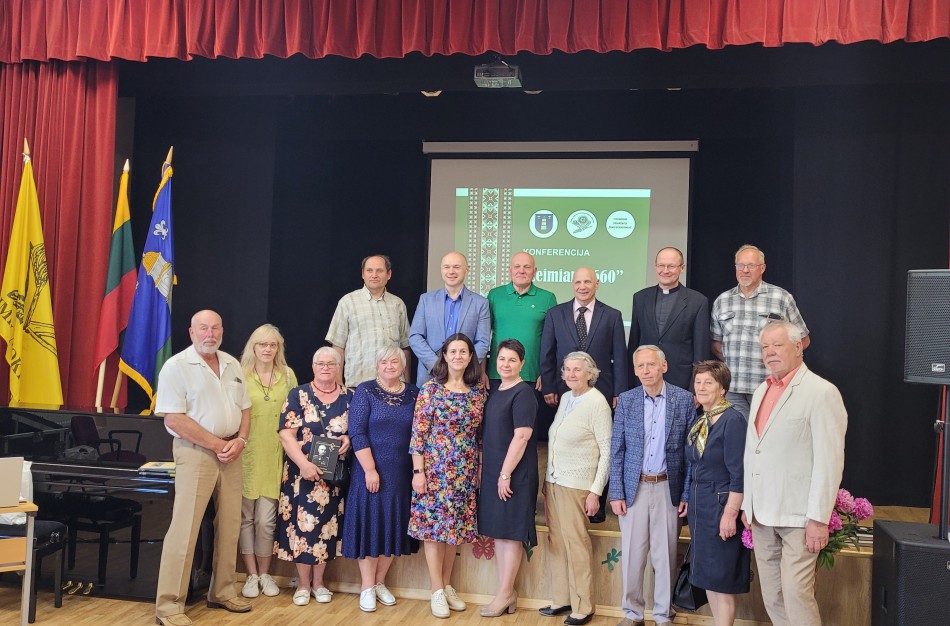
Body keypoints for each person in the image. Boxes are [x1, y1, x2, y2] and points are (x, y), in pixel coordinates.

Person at [741, 321, 847, 626]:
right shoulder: (761, 390)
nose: (770, 352)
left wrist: (819, 519)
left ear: (798, 346)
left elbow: (829, 461)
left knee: (796, 595)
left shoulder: (822, 392)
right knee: (772, 596)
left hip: (799, 517)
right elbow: (753, 452)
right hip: (762, 514)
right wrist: (748, 503)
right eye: (765, 347)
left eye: (777, 345)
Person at [154, 310, 252, 626]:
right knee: (185, 530)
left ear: (222, 330)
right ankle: (169, 606)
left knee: (231, 525)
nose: (210, 334)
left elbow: (245, 409)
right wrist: (217, 444)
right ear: (191, 332)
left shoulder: (232, 364)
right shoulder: (176, 366)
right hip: (196, 452)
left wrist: (241, 441)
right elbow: (174, 419)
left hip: (232, 453)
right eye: (203, 328)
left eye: (215, 328)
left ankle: (222, 592)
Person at [609, 345, 695, 626]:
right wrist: (616, 492)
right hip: (634, 489)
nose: (646, 371)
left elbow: (690, 453)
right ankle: (632, 614)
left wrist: (685, 493)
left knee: (665, 555)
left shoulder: (684, 400)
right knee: (633, 556)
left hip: (668, 488)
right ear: (634, 371)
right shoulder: (627, 400)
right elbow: (617, 450)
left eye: (651, 365)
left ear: (664, 366)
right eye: (640, 366)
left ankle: (663, 614)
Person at [408, 333, 487, 618]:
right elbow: (418, 435)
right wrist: (418, 472)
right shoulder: (430, 390)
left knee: (454, 529)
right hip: (435, 469)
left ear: (470, 357)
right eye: (453, 351)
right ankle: (436, 590)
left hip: (464, 470)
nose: (458, 356)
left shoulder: (478, 393)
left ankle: (447, 584)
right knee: (434, 530)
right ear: (444, 355)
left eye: (463, 352)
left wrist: (478, 469)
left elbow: (479, 437)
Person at [341, 344, 420, 613]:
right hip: (370, 472)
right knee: (371, 527)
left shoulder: (414, 393)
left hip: (401, 473)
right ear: (377, 365)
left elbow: (419, 434)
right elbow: (357, 432)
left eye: (395, 362)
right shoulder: (365, 391)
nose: (389, 366)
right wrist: (370, 469)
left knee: (392, 528)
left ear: (403, 366)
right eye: (384, 362)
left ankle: (379, 582)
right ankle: (366, 587)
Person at [275, 347, 352, 607]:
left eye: (331, 364)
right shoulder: (298, 394)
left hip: (332, 477)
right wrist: (304, 464)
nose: (326, 368)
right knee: (302, 528)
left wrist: (348, 438)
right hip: (301, 475)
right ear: (313, 366)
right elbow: (286, 434)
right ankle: (302, 584)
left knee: (326, 529)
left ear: (339, 367)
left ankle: (319, 583)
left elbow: (358, 429)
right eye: (320, 363)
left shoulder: (350, 396)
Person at [541, 352, 612, 626]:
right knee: (557, 543)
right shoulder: (566, 398)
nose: (571, 374)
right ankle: (562, 598)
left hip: (577, 485)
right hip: (555, 481)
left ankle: (583, 605)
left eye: (577, 370)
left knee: (576, 544)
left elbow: (606, 452)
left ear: (590, 373)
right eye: (567, 369)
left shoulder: (597, 403)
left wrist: (596, 491)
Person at [477, 338, 539, 617]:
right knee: (500, 533)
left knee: (511, 535)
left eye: (512, 360)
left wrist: (505, 474)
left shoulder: (523, 393)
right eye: (502, 359)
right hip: (496, 471)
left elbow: (522, 436)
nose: (506, 364)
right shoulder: (497, 390)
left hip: (514, 474)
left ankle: (504, 594)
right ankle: (507, 592)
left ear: (522, 364)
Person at [710, 245, 810, 417]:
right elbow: (716, 343)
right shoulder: (722, 301)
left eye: (751, 265)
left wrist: (780, 366)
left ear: (762, 268)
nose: (745, 270)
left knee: (768, 433)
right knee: (738, 433)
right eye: (740, 265)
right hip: (733, 389)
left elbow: (803, 340)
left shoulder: (781, 298)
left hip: (770, 385)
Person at [685, 360, 749, 626]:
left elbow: (739, 474)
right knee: (708, 576)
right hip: (700, 505)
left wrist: (730, 514)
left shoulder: (733, 420)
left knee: (721, 578)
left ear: (722, 388)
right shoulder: (702, 419)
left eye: (708, 382)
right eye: (698, 382)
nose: (701, 387)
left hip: (721, 506)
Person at [238, 324, 298, 599]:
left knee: (266, 521)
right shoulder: (240, 375)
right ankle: (250, 575)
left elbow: (297, 414)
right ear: (253, 347)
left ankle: (265, 574)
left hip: (276, 456)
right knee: (246, 519)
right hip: (246, 455)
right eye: (262, 344)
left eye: (273, 345)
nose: (267, 349)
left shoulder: (288, 375)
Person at [486, 252, 557, 433]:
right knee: (497, 429)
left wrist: (545, 373)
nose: (521, 271)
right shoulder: (494, 295)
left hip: (532, 376)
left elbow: (552, 340)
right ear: (510, 270)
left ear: (535, 271)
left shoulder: (548, 298)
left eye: (527, 267)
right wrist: (481, 370)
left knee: (526, 432)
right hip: (497, 375)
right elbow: (484, 334)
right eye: (517, 267)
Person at [541, 267, 627, 410]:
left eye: (587, 282)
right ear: (572, 284)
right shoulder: (555, 314)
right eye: (578, 282)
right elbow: (547, 355)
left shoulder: (612, 316)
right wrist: (548, 386)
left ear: (596, 284)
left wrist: (619, 392)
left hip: (601, 390)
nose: (582, 287)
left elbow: (620, 358)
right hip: (564, 390)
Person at [628, 247, 709, 391]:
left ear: (682, 268)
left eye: (671, 266)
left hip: (681, 381)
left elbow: (701, 351)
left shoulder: (697, 301)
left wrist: (695, 388)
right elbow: (634, 342)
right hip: (644, 381)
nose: (665, 271)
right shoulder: (640, 298)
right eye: (661, 265)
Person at [326, 254, 411, 387]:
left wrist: (407, 382)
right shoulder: (347, 302)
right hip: (358, 383)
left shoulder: (398, 304)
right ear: (363, 274)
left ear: (389, 274)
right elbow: (338, 345)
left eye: (379, 271)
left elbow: (405, 346)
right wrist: (338, 382)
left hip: (393, 385)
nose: (374, 275)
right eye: (369, 270)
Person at [409, 251, 491, 386]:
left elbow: (482, 342)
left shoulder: (480, 303)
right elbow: (415, 336)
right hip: (430, 375)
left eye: (456, 267)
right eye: (446, 267)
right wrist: (436, 365)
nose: (451, 271)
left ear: (467, 269)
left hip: (465, 377)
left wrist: (462, 366)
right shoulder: (426, 300)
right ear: (441, 270)